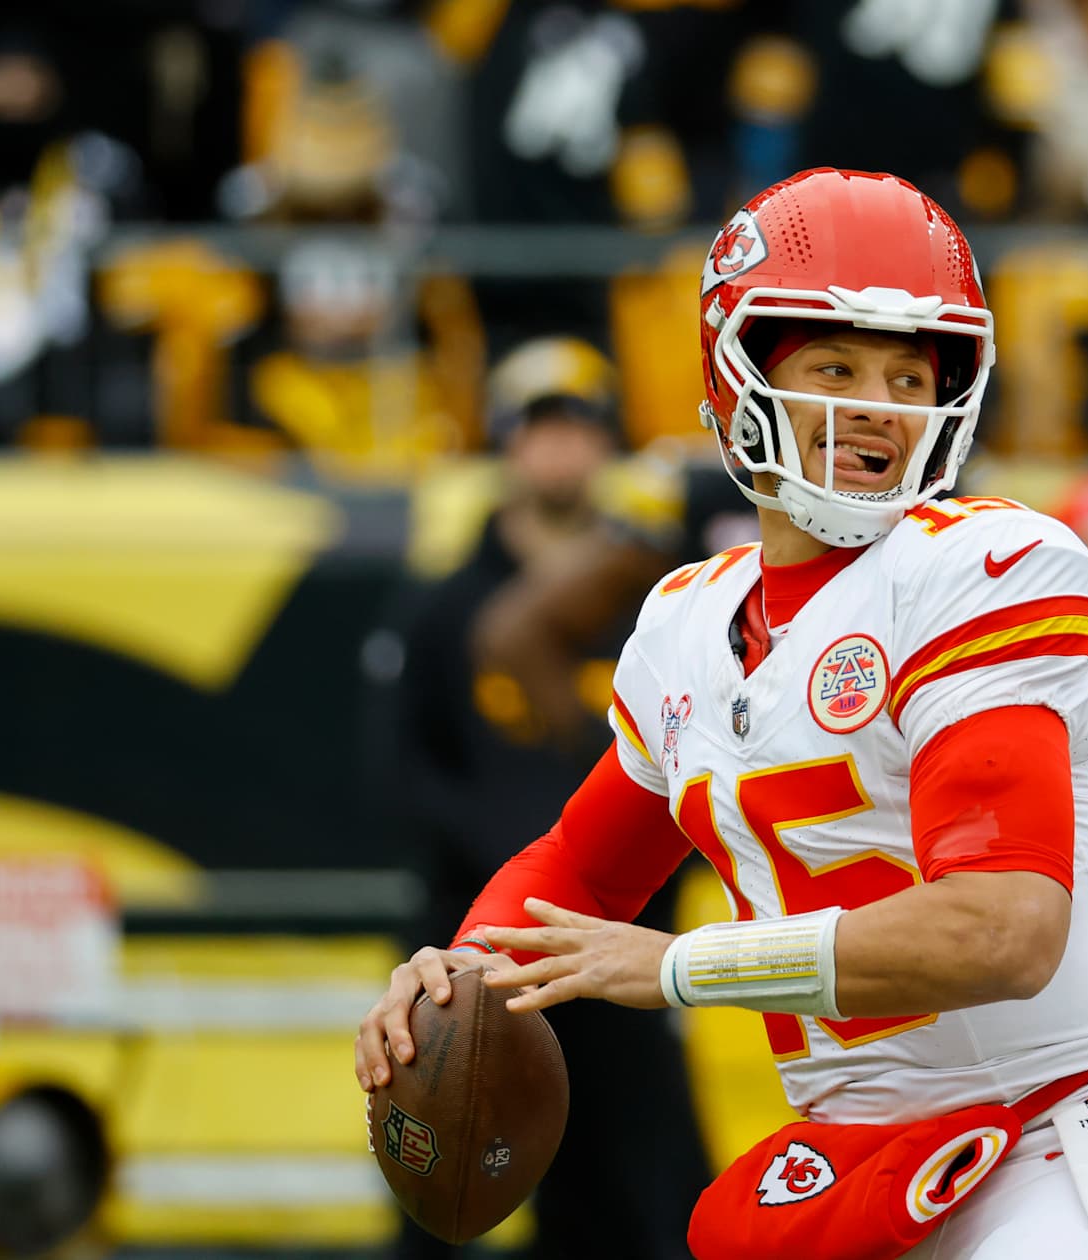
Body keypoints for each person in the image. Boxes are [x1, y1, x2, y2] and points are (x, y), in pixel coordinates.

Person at [356, 168, 1088, 1260]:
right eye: (834, 366)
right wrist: (462, 973)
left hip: (1071, 1127)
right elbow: (581, 872)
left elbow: (999, 929)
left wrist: (678, 966)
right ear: (737, 380)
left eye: (910, 375)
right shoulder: (688, 618)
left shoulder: (984, 568)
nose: (876, 405)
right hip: (864, 1157)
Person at [368, 336, 709, 1259]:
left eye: (579, 429)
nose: (560, 451)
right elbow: (403, 773)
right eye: (539, 429)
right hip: (476, 951)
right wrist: (519, 864)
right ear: (506, 444)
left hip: (617, 946)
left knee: (643, 1197)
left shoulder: (662, 601)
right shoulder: (441, 611)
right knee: (440, 1194)